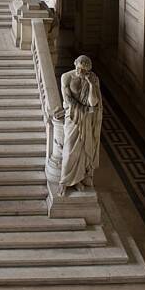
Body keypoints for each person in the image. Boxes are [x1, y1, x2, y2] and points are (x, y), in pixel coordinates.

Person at [58, 54, 102, 194]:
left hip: (86, 120)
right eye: (78, 68)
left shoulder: (93, 79)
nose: (80, 72)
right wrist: (84, 110)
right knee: (70, 150)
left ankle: (77, 180)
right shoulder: (66, 77)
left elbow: (93, 102)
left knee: (83, 151)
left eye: (84, 70)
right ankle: (64, 182)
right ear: (75, 64)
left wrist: (90, 84)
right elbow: (68, 99)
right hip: (73, 118)